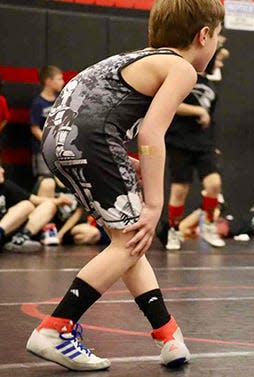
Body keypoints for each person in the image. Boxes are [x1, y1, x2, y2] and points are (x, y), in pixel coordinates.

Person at [26, 0, 225, 371]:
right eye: (218, 39)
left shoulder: (138, 58)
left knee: (127, 240)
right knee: (135, 233)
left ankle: (168, 335)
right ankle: (56, 327)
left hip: (59, 137)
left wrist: (122, 160)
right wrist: (154, 204)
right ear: (204, 36)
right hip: (90, 139)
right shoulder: (181, 68)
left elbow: (98, 109)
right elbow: (151, 133)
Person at [164, 44, 230, 250]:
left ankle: (209, 225)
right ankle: (173, 230)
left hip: (204, 144)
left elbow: (211, 118)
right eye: (218, 59)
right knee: (180, 188)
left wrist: (212, 144)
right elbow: (171, 103)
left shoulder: (211, 86)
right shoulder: (184, 76)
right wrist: (197, 111)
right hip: (179, 141)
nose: (220, 64)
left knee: (213, 184)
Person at [0, 165, 71, 252]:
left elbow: (33, 199)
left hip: (8, 231)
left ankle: (20, 238)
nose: (3, 170)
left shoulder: (6, 185)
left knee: (38, 205)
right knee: (27, 205)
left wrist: (57, 201)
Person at [30, 65, 64, 180]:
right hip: (42, 150)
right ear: (49, 81)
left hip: (59, 150)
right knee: (45, 180)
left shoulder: (61, 100)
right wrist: (49, 142)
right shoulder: (38, 103)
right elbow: (34, 128)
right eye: (59, 79)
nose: (62, 82)